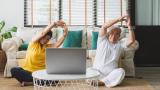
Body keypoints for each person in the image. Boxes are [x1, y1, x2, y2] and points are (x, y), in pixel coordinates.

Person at [11, 20, 68, 86]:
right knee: (14, 70)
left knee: (56, 79)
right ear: (41, 37)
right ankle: (37, 81)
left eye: (48, 39)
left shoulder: (48, 47)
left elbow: (57, 44)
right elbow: (42, 33)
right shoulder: (33, 43)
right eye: (44, 38)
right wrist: (54, 24)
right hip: (28, 71)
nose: (45, 40)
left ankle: (31, 82)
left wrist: (65, 34)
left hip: (40, 73)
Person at [93, 16, 135, 88]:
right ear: (109, 33)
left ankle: (102, 82)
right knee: (88, 71)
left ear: (119, 36)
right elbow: (104, 27)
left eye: (117, 34)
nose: (114, 35)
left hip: (111, 74)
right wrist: (118, 19)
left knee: (121, 71)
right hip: (97, 72)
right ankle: (102, 81)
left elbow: (131, 40)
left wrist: (129, 26)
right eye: (112, 32)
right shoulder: (102, 40)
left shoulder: (120, 45)